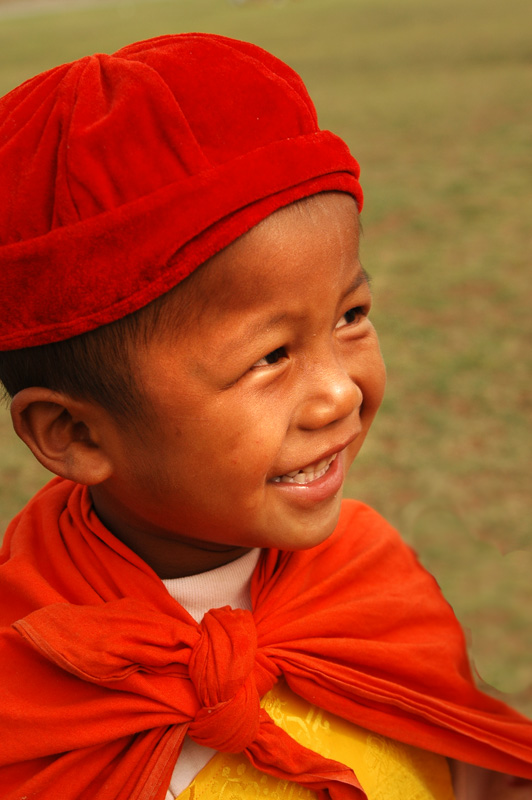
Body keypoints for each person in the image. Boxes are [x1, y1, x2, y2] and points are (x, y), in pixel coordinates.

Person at [0, 33, 530, 800]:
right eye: (270, 358)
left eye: (351, 313)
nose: (340, 393)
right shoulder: (27, 687)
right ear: (75, 433)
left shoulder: (367, 578)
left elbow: (470, 764)